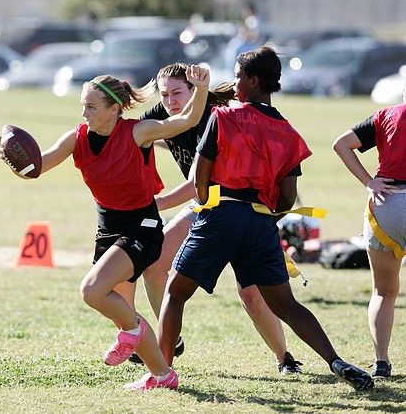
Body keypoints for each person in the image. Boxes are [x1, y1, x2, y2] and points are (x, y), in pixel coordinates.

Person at [155, 46, 374, 391]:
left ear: (254, 81)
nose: (235, 83)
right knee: (286, 304)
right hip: (260, 222)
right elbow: (287, 197)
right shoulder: (288, 132)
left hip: (220, 214)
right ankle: (336, 360)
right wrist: (263, 220)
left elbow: (200, 177)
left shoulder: (224, 116)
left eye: (239, 77)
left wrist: (208, 204)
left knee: (175, 292)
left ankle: (161, 374)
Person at [0, 66, 210, 391]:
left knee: (92, 291)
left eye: (91, 106)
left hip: (142, 228)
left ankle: (132, 334)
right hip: (109, 229)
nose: (84, 113)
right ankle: (163, 375)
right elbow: (37, 167)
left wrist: (201, 88)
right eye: (83, 105)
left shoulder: (137, 132)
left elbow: (184, 122)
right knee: (123, 310)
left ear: (114, 109)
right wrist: (17, 162)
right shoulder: (77, 136)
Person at [124, 62, 302, 375]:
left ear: (195, 91)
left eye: (177, 93)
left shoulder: (215, 116)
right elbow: (132, 140)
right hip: (202, 206)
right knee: (154, 264)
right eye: (164, 95)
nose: (170, 101)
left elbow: (198, 183)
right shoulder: (160, 114)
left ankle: (284, 357)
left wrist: (156, 202)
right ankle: (170, 339)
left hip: (233, 206)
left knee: (251, 295)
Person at [332, 84, 406, 378]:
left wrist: (368, 181)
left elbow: (340, 144)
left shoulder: (385, 115)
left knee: (383, 292)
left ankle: (381, 363)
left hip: (385, 205)